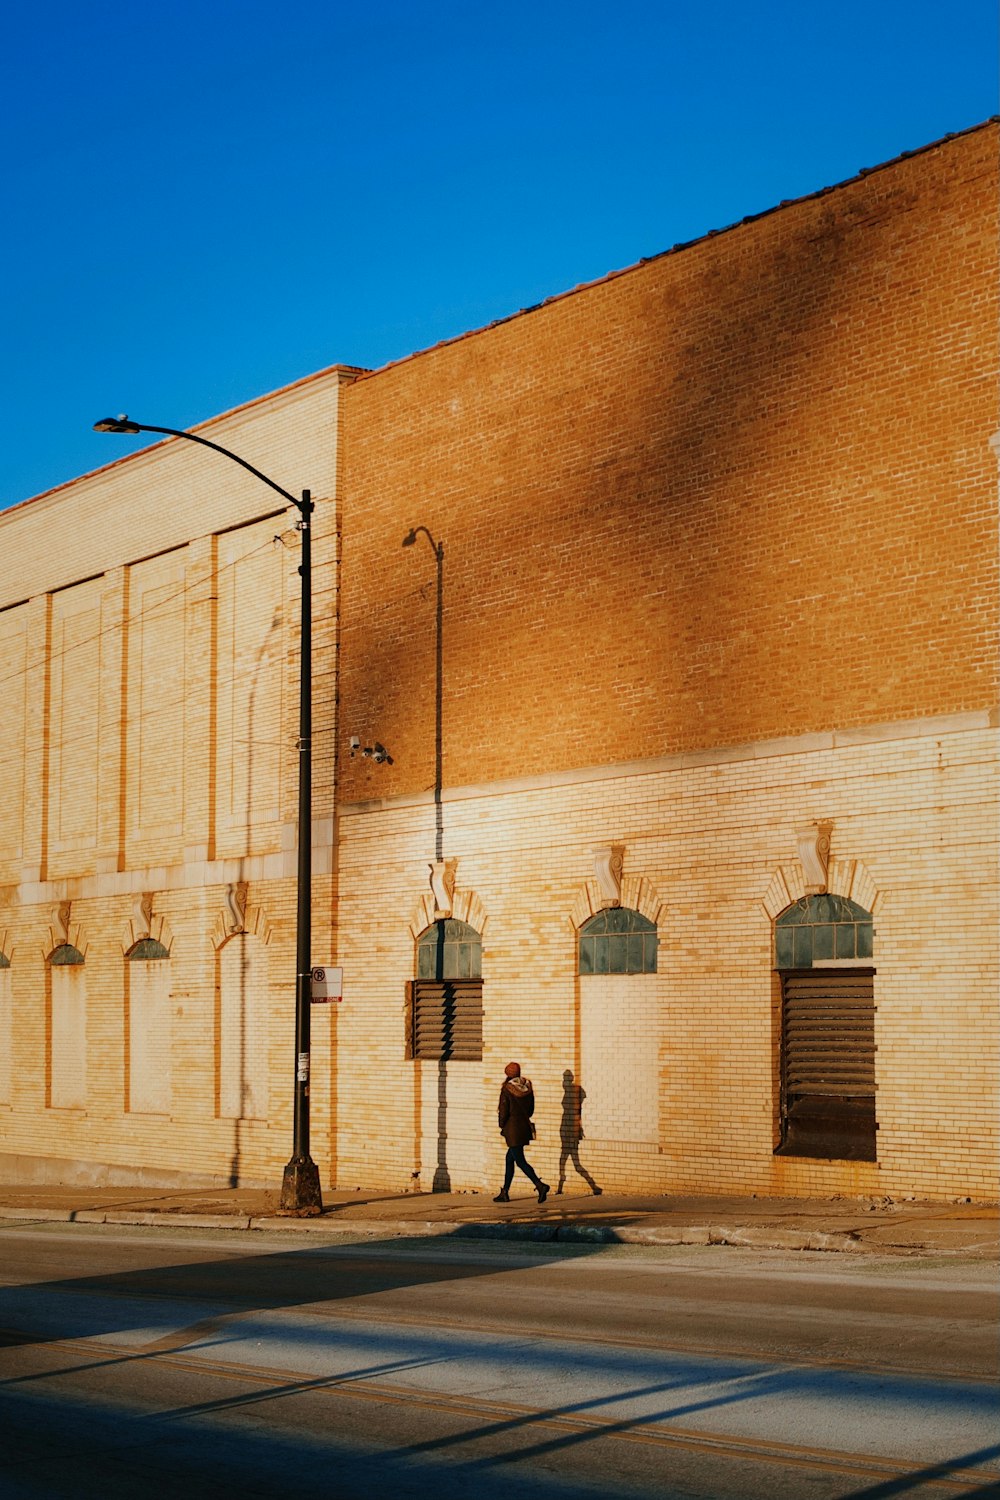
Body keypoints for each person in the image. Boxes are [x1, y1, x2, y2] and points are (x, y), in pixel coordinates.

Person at [495, 1061, 549, 1204]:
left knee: (520, 1161)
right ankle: (505, 1192)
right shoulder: (527, 1088)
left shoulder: (507, 1089)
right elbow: (531, 1111)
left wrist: (501, 1125)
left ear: (507, 1075)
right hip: (523, 1127)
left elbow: (503, 1111)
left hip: (512, 1130)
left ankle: (540, 1185)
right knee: (509, 1159)